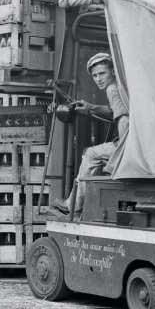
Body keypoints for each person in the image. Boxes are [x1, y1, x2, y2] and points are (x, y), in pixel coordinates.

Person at [57, 52, 129, 215]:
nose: (98, 79)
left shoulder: (112, 89)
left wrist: (123, 151)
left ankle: (73, 205)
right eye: (95, 75)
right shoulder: (121, 85)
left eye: (102, 73)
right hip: (135, 142)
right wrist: (91, 107)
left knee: (91, 154)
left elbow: (124, 119)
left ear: (112, 71)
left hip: (130, 144)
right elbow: (114, 111)